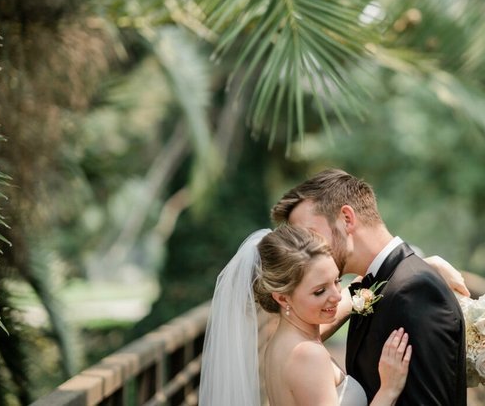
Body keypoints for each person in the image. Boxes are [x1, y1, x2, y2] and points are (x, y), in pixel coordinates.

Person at [272, 168, 467, 405]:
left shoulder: (416, 291)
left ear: (347, 219)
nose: (306, 250)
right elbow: (300, 327)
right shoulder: (376, 286)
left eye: (310, 235)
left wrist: (418, 267)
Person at [198, 225, 412, 406]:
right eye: (320, 291)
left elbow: (351, 294)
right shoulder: (307, 356)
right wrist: (389, 390)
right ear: (283, 298)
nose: (336, 296)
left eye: (336, 280)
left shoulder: (283, 342)